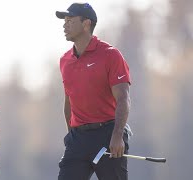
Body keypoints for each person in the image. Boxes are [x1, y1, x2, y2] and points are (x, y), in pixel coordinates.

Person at [55, 2, 132, 180]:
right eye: (64, 20)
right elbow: (70, 100)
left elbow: (123, 98)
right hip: (78, 139)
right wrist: (70, 134)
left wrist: (117, 136)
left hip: (108, 135)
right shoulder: (65, 60)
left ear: (86, 23)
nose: (64, 24)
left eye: (70, 20)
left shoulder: (110, 55)